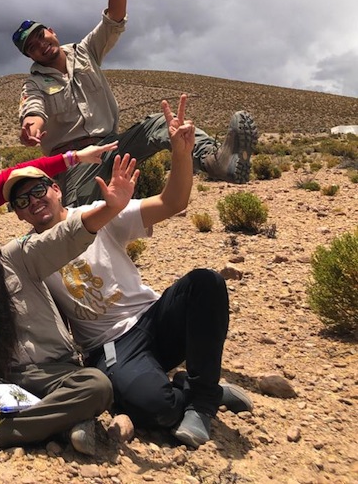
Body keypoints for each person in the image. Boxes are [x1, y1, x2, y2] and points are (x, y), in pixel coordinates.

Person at [24, 96, 253, 447]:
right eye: (22, 201)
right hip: (112, 344)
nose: (33, 201)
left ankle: (204, 400)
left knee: (205, 282)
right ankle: (192, 389)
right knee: (156, 409)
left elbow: (172, 203)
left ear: (56, 189)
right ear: (19, 214)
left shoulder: (98, 211)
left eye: (38, 190)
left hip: (155, 317)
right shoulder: (29, 254)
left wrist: (180, 153)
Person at [15, 0, 257, 208]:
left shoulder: (85, 51)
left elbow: (114, 19)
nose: (41, 46)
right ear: (29, 55)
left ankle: (215, 160)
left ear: (51, 31)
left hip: (112, 145)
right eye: (32, 47)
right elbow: (33, 111)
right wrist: (31, 129)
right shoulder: (33, 83)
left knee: (160, 124)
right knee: (81, 221)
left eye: (41, 37)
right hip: (75, 161)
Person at [0, 146, 136, 453]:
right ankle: (65, 422)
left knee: (97, 386)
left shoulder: (16, 257)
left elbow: (67, 236)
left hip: (56, 372)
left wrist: (110, 208)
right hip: (5, 379)